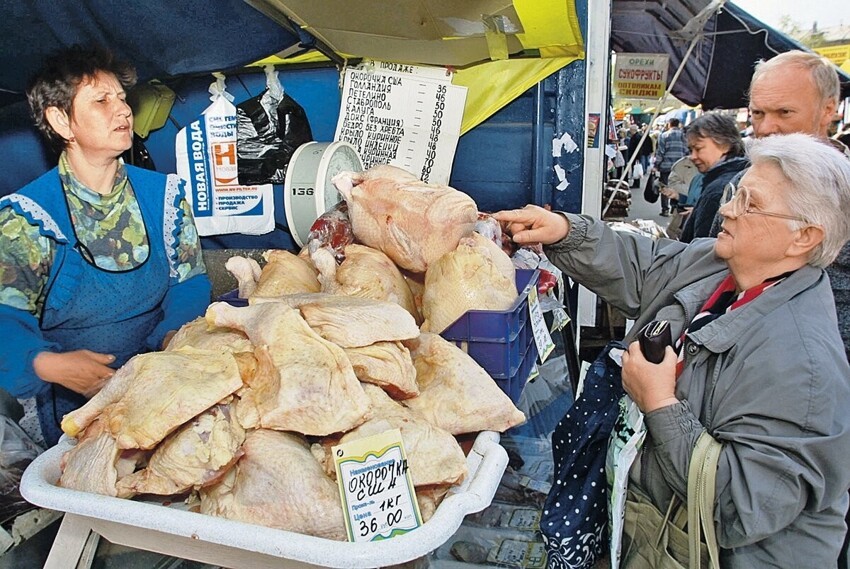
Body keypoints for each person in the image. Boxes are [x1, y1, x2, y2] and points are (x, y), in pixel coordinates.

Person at [495, 133, 850, 567]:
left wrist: (659, 403)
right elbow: (647, 266)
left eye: (749, 204)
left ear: (804, 238)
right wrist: (566, 233)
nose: (725, 209)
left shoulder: (802, 364)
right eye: (736, 193)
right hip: (655, 530)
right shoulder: (721, 265)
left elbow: (744, 505)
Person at [0, 45, 211, 447]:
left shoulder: (164, 195)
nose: (124, 110)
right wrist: (49, 364)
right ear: (61, 121)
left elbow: (190, 283)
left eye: (122, 97)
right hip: (75, 407)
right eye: (101, 100)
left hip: (163, 378)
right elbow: (3, 320)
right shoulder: (26, 219)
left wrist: (169, 344)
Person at [708, 51, 850, 364]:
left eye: (784, 112)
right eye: (758, 113)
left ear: (828, 109)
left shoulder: (844, 193)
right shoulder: (741, 180)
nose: (767, 127)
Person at [667, 113, 748, 243]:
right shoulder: (740, 174)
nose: (692, 156)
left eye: (698, 149)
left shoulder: (717, 190)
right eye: (690, 150)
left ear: (725, 145)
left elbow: (702, 250)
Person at [653, 117, 688, 216]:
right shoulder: (683, 136)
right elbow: (686, 151)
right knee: (678, 186)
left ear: (669, 124)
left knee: (665, 187)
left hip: (666, 165)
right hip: (681, 166)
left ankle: (665, 209)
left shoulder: (664, 135)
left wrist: (657, 165)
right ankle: (675, 207)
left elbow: (660, 152)